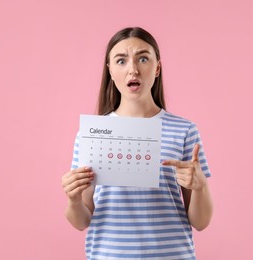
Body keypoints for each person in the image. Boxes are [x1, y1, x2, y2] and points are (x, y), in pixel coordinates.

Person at [61, 27, 213, 259]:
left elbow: (200, 223)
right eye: (121, 61)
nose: (133, 69)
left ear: (157, 67)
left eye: (143, 58)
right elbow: (81, 221)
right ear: (110, 70)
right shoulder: (90, 134)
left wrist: (200, 187)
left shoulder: (184, 130)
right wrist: (73, 200)